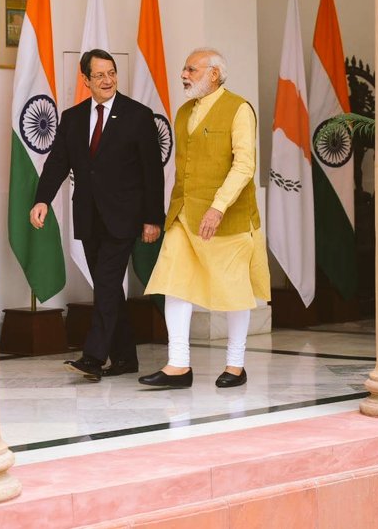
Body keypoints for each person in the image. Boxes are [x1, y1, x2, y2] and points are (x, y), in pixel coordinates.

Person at [30, 49, 164, 382]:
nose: (108, 80)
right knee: (109, 288)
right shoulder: (73, 118)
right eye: (100, 75)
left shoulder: (138, 115)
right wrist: (42, 199)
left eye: (112, 73)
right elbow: (57, 162)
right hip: (89, 216)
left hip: (124, 217)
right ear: (86, 80)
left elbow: (152, 172)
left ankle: (93, 357)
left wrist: (153, 218)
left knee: (105, 283)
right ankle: (125, 357)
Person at [140, 48, 269, 389]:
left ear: (213, 74)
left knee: (234, 290)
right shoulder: (183, 112)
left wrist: (218, 206)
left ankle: (236, 365)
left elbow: (244, 165)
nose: (184, 75)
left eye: (191, 69)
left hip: (228, 217)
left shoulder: (239, 109)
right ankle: (178, 365)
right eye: (184, 69)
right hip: (183, 214)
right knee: (174, 283)